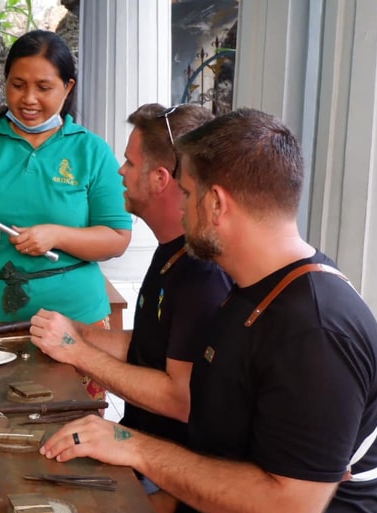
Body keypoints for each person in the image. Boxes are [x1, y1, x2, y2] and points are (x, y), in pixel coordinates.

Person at [40, 109, 377, 513]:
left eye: (187, 196)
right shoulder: (248, 292)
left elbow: (288, 511)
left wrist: (134, 447)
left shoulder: (316, 329)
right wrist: (160, 507)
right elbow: (226, 442)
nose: (182, 209)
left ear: (216, 204)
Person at [30, 103, 229, 450]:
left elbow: (181, 400)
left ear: (160, 178)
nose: (121, 171)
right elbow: (152, 346)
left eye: (131, 163)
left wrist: (76, 351)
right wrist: (79, 332)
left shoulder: (203, 274)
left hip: (169, 469)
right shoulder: (171, 250)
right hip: (139, 442)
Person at [0, 30, 132, 329]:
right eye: (17, 85)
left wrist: (57, 236)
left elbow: (117, 238)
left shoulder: (91, 150)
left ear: (68, 86)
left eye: (44, 87)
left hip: (76, 319)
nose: (28, 99)